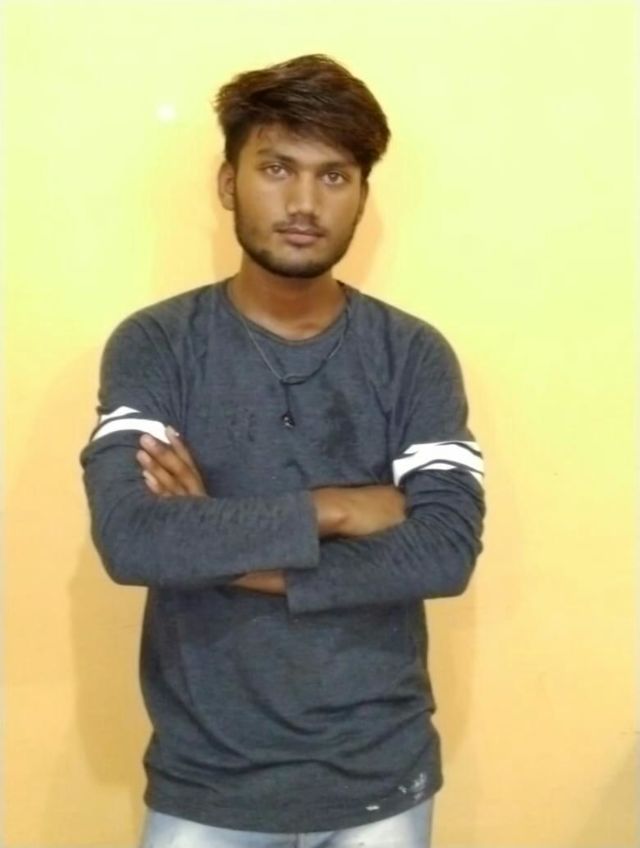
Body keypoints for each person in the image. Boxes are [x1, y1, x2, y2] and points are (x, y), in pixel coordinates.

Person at [80, 53, 485, 848]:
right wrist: (337, 508)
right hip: (207, 781)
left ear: (362, 195)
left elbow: (443, 553)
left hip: (380, 778)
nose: (304, 202)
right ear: (228, 183)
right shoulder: (157, 345)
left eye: (334, 176)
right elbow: (132, 539)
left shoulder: (412, 355)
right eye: (276, 168)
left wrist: (215, 544)